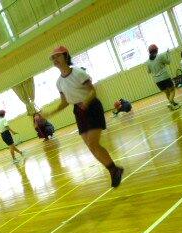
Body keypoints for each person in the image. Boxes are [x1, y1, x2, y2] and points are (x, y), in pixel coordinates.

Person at [44, 45, 124, 188]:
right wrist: (51, 112)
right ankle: (114, 170)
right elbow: (64, 102)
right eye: (53, 58)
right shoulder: (59, 83)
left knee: (93, 143)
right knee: (91, 146)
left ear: (65, 56)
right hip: (78, 111)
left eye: (57, 56)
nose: (55, 59)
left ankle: (114, 170)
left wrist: (86, 102)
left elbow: (92, 91)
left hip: (91, 107)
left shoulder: (78, 73)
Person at [146, 44, 180, 110]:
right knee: (172, 90)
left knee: (167, 93)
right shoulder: (160, 56)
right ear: (156, 50)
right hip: (165, 77)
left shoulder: (147, 62)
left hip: (157, 81)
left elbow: (149, 71)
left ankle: (173, 104)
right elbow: (168, 62)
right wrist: (168, 54)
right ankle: (170, 102)